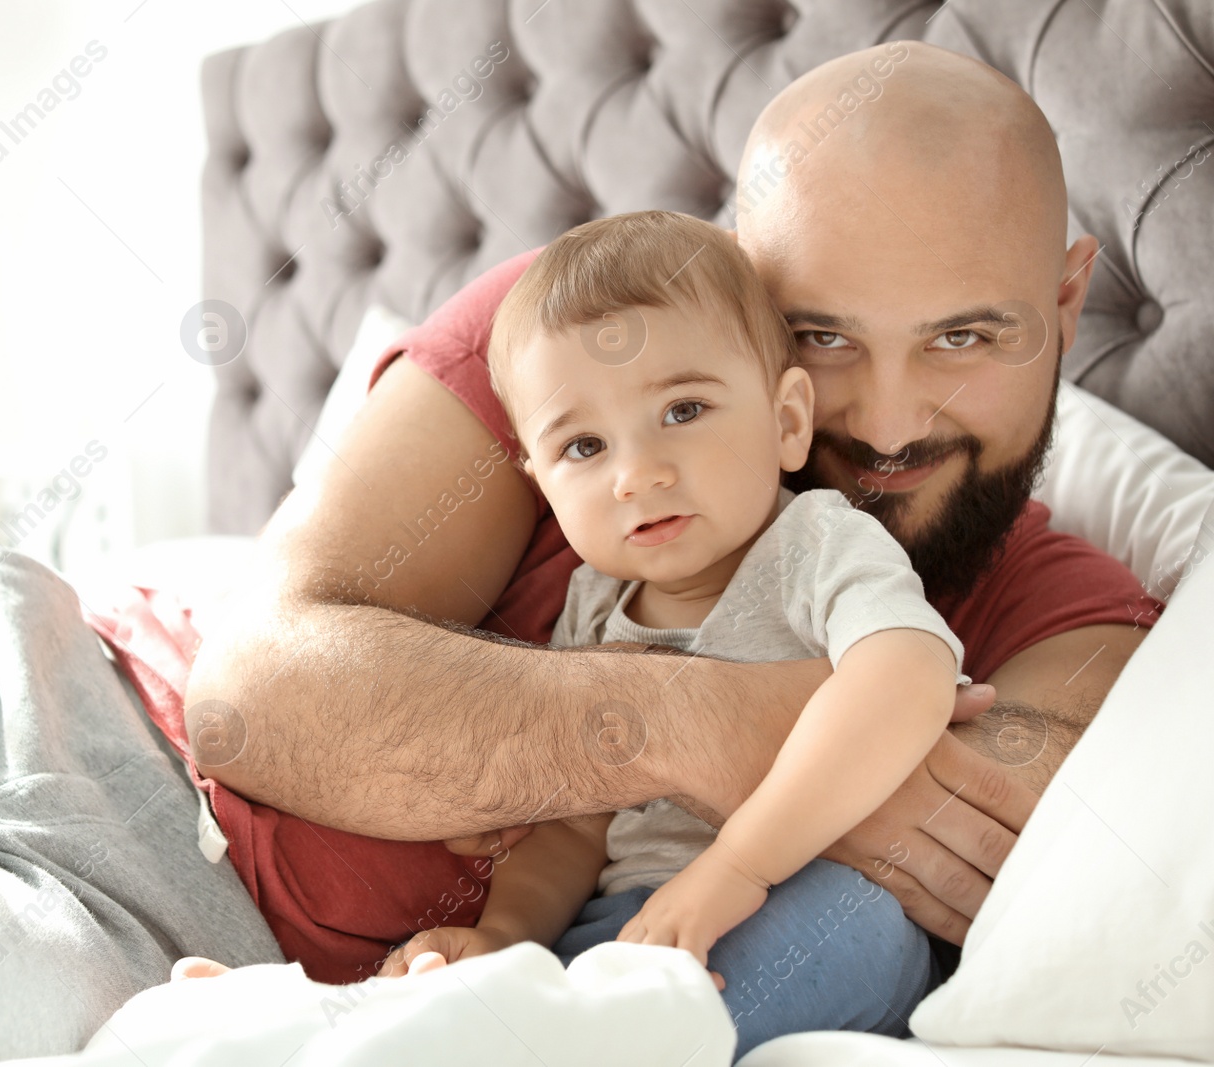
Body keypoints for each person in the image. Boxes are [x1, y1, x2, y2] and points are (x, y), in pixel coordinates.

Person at [181, 40, 1162, 993]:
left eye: (962, 336)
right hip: (155, 829)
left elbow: (1009, 853)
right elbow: (244, 700)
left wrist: (525, 737)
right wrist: (699, 726)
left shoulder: (1070, 613)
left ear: (1065, 305)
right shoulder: (581, 347)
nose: (886, 422)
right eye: (818, 334)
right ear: (741, 283)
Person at [367, 209, 967, 1056]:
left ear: (787, 419)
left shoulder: (816, 544)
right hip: (640, 922)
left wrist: (735, 870)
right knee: (538, 983)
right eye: (583, 445)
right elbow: (576, 827)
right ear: (541, 484)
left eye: (683, 409)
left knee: (858, 928)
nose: (637, 472)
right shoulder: (593, 605)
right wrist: (504, 940)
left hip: (803, 891)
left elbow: (907, 674)